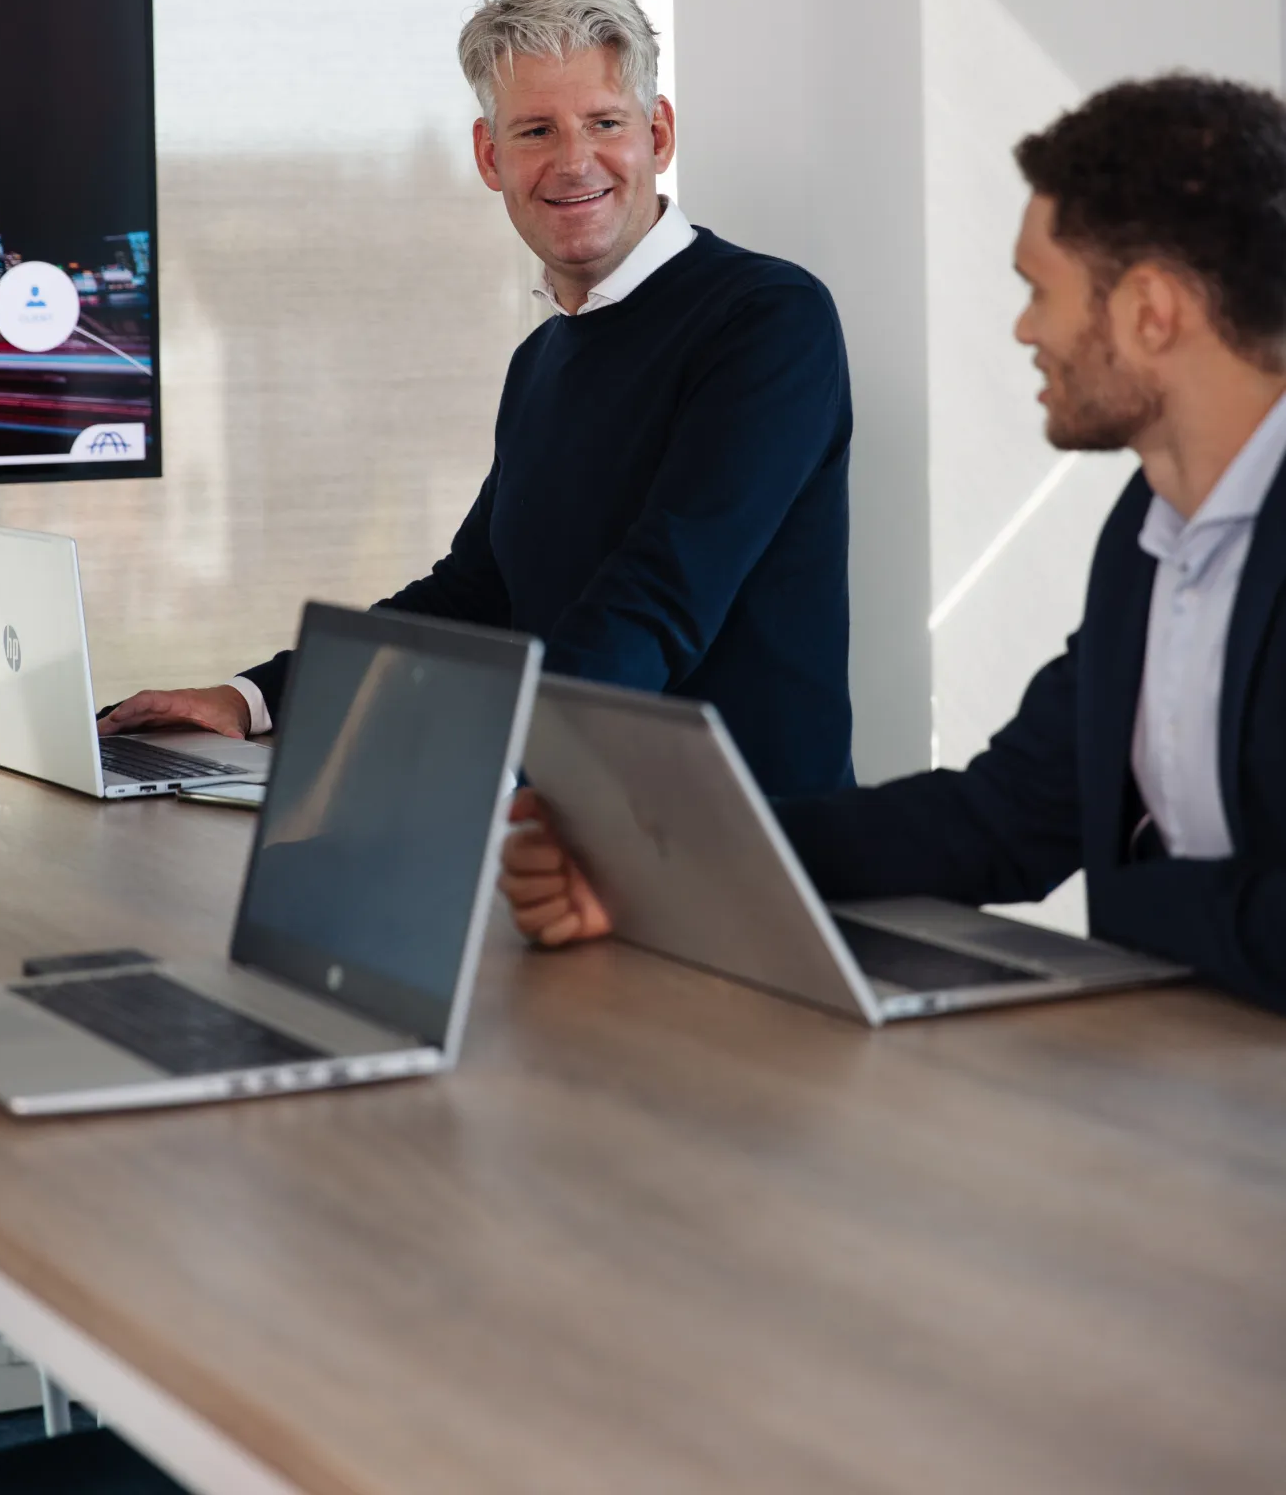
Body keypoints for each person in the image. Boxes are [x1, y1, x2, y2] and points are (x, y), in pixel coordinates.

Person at [502, 71, 1286, 1015]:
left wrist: (1136, 912)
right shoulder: (1149, 533)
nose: (1023, 328)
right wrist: (652, 864)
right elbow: (1006, 819)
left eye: (1041, 291)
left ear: (1150, 312)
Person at [102, 0, 856, 797]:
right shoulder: (542, 360)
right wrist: (252, 699)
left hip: (740, 842)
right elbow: (477, 593)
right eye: (536, 130)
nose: (574, 161)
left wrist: (482, 775)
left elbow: (661, 600)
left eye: (604, 123)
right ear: (491, 156)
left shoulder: (768, 318)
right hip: (570, 830)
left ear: (658, 133)